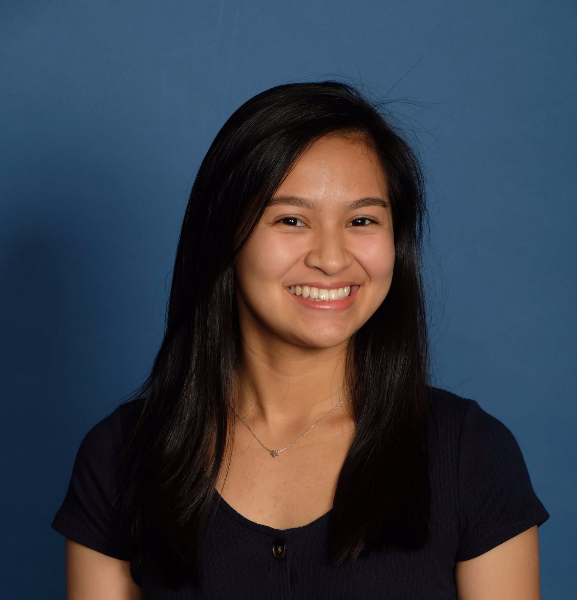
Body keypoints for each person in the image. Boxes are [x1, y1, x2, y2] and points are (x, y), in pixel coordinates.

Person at [51, 81, 549, 599]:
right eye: (291, 219)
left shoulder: (470, 453)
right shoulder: (120, 456)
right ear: (223, 236)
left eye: (362, 220)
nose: (331, 259)